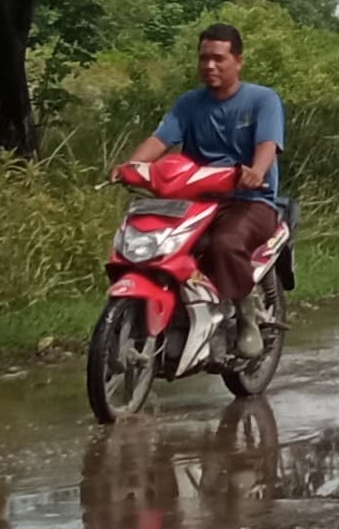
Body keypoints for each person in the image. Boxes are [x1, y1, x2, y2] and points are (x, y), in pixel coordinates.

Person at [122, 22, 288, 313]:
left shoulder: (263, 100)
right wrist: (130, 166)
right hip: (195, 202)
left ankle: (244, 313)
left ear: (238, 62)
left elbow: (267, 145)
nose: (210, 65)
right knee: (156, 243)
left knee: (224, 243)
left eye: (219, 58)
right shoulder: (188, 103)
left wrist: (256, 173)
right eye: (203, 58)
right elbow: (159, 140)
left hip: (250, 201)